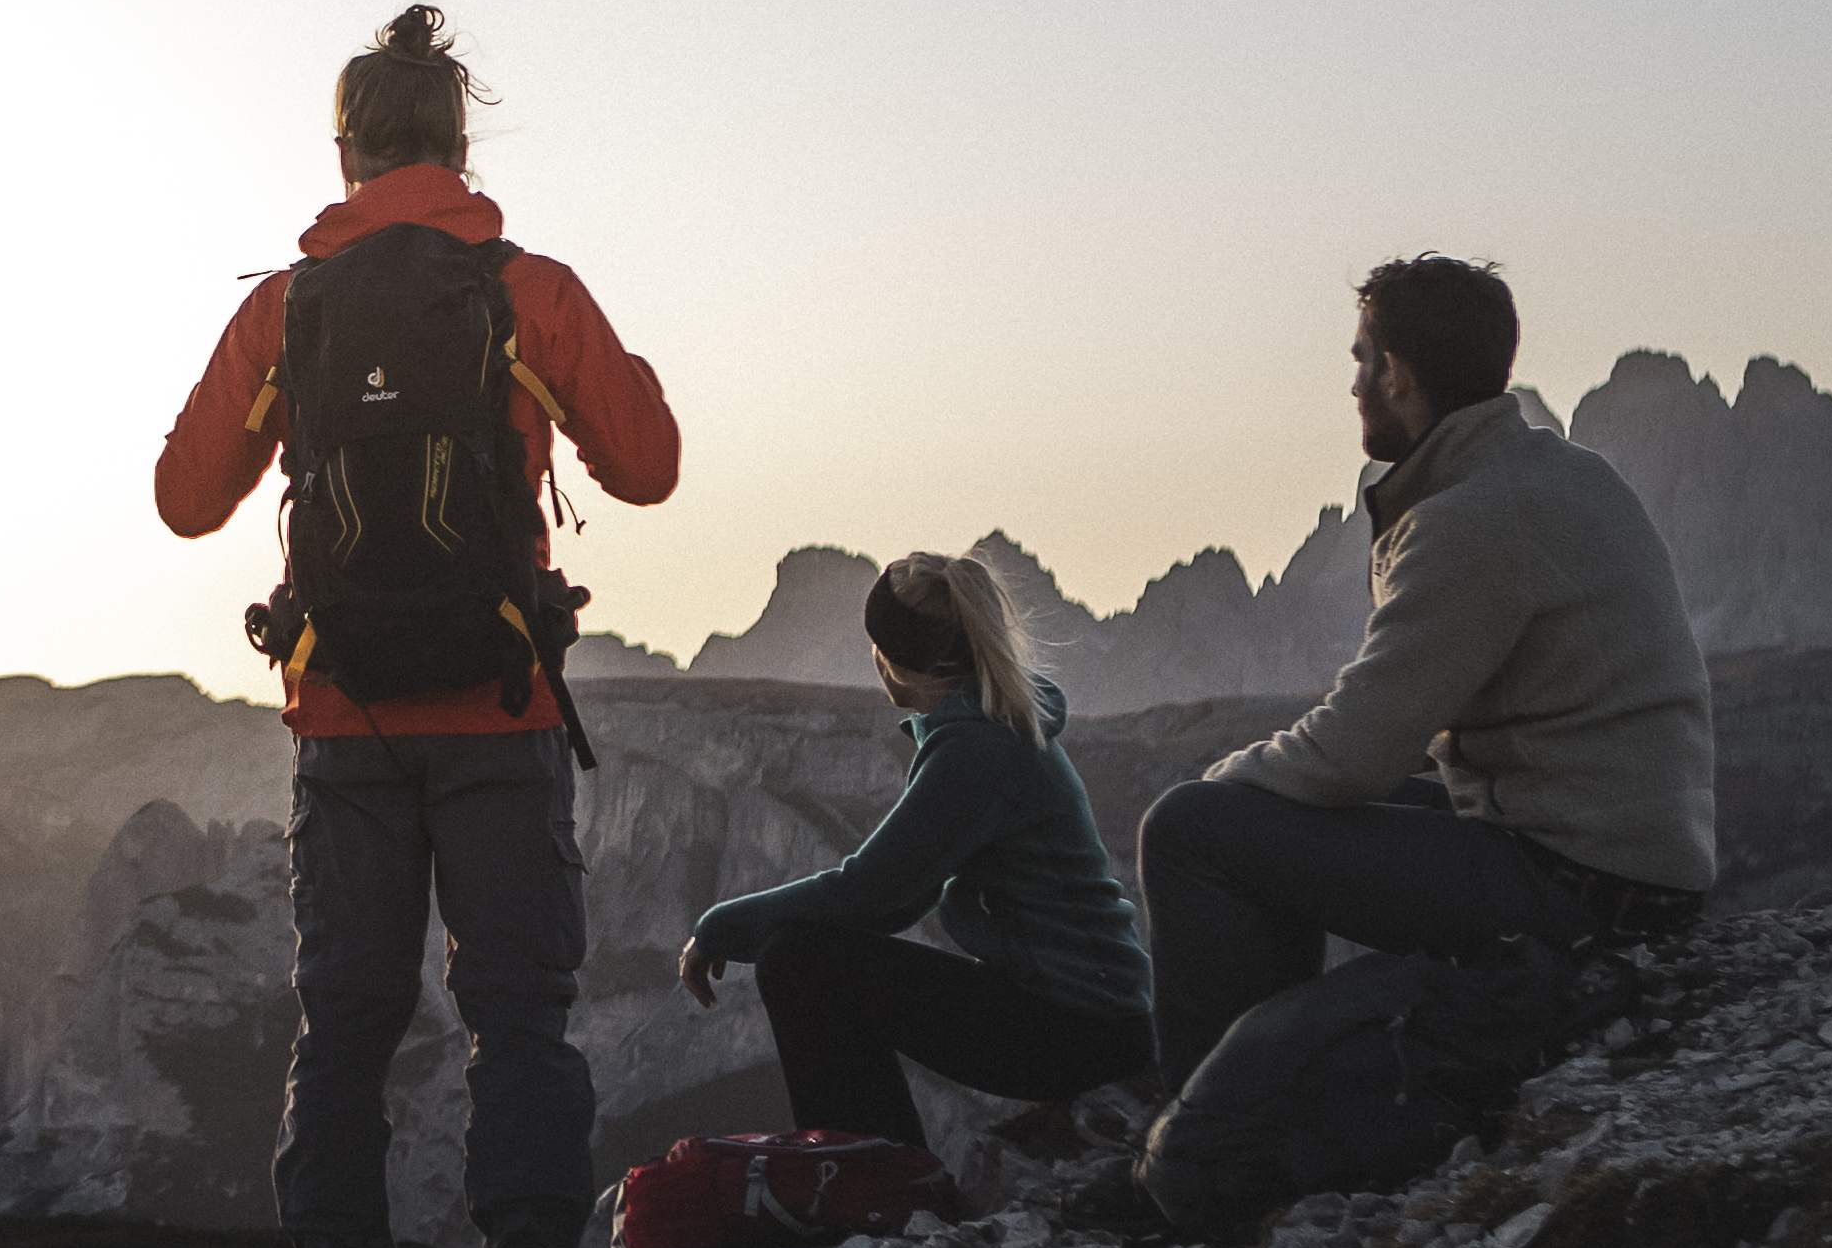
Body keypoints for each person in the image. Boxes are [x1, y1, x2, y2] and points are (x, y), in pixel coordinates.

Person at [156, 5, 679, 1248]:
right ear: (461, 145)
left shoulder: (287, 310)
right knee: (520, 1018)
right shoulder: (526, 290)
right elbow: (650, 466)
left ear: (343, 150)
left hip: (344, 719)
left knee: (344, 1031)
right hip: (500, 707)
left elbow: (187, 499)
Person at [1130, 257, 1715, 1109]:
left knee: (1192, 830)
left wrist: (1226, 788)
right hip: (1626, 865)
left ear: (1396, 374)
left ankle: (1202, 1129)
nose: (1356, 385)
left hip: (1583, 890)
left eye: (1363, 359)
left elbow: (1350, 756)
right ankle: (1247, 1091)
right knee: (1287, 815)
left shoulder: (1473, 518)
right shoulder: (1561, 475)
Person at [671, 552, 1152, 1153]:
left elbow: (870, 892)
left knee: (803, 964)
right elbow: (893, 900)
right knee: (812, 956)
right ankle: (878, 1171)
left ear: (897, 659)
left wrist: (720, 927)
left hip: (1078, 1030)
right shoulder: (990, 730)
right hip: (1091, 1014)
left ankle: (871, 1179)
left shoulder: (976, 752)